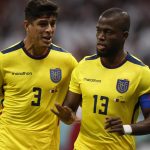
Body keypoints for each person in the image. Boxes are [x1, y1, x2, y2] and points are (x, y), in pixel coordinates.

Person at [51, 8, 150, 150]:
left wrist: (126, 128)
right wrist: (67, 116)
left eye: (108, 32)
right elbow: (70, 110)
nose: (101, 36)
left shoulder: (141, 73)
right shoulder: (84, 66)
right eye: (99, 30)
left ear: (124, 35)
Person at [0, 0, 77, 149]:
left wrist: (69, 117)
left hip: (46, 146)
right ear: (27, 26)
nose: (49, 29)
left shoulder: (67, 62)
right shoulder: (5, 60)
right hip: (8, 144)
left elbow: (73, 110)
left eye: (53, 24)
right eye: (43, 24)